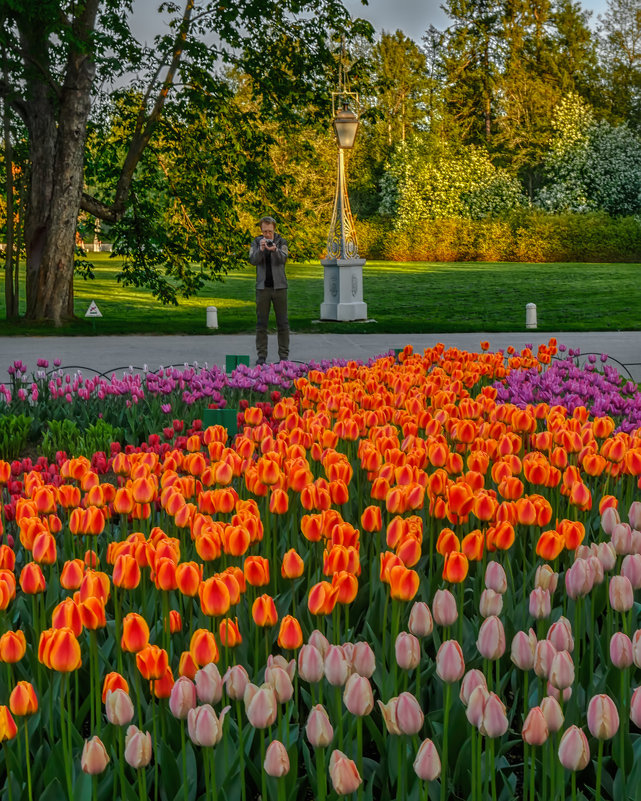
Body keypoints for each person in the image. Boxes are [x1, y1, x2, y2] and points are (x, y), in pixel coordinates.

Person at [248, 216, 289, 365]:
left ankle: (284, 356)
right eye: (264, 232)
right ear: (261, 230)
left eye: (270, 231)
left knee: (283, 323)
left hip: (280, 287)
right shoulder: (256, 242)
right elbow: (252, 260)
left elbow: (284, 258)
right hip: (262, 288)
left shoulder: (281, 241)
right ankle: (261, 356)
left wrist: (274, 250)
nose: (267, 235)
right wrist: (261, 249)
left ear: (274, 229)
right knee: (261, 324)